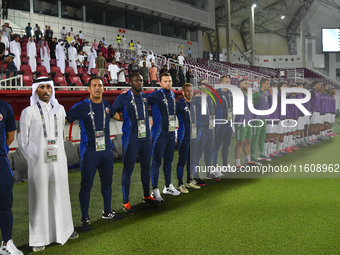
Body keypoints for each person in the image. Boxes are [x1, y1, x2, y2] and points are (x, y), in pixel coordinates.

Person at [17, 77, 79, 252]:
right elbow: (22, 140)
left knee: (60, 194)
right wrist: (33, 158)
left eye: (49, 87)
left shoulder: (60, 110)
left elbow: (60, 136)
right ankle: (39, 237)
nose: (46, 90)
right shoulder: (28, 112)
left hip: (58, 160)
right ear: (36, 90)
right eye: (42, 87)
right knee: (40, 198)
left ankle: (65, 231)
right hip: (39, 163)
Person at [66, 76, 124, 232]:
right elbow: (65, 119)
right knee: (86, 186)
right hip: (90, 152)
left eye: (100, 85)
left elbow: (118, 116)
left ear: (103, 88)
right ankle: (85, 218)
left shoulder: (106, 105)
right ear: (89, 89)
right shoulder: (81, 106)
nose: (97, 88)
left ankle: (107, 211)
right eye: (94, 85)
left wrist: (131, 114)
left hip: (106, 150)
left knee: (107, 183)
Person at [112, 74, 161, 214]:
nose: (139, 83)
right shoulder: (123, 97)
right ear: (130, 82)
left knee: (146, 167)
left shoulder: (145, 97)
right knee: (128, 170)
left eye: (141, 80)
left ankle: (146, 195)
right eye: (136, 80)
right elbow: (112, 112)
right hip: (131, 140)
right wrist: (124, 119)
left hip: (145, 138)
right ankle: (126, 202)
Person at [148, 73, 181, 201]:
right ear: (160, 83)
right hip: (159, 134)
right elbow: (142, 105)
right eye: (165, 81)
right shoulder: (154, 95)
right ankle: (154, 190)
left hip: (171, 133)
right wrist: (151, 119)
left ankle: (167, 186)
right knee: (156, 162)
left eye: (170, 81)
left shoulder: (172, 95)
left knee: (168, 160)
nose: (168, 83)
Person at [0, 98, 23, 255]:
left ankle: (6, 243)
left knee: (5, 205)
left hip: (1, 162)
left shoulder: (5, 108)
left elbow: (10, 135)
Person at [176, 83, 201, 193]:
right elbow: (169, 115)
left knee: (192, 159)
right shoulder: (179, 104)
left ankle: (189, 181)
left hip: (194, 136)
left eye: (191, 90)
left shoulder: (195, 104)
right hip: (183, 136)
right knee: (182, 160)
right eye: (187, 91)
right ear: (183, 92)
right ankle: (180, 184)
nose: (190, 92)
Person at [234, 79, 257, 169]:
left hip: (249, 121)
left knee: (248, 141)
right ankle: (237, 163)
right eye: (246, 83)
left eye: (248, 83)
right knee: (240, 142)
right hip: (241, 121)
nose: (248, 85)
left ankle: (247, 160)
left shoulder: (247, 96)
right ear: (240, 85)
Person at [212, 76, 233, 169]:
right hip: (220, 122)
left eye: (229, 82)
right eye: (226, 82)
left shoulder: (228, 93)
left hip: (229, 122)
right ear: (221, 83)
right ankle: (214, 166)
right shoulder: (216, 93)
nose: (229, 83)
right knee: (217, 144)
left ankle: (225, 164)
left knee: (226, 144)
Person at [250, 78, 272, 162]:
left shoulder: (265, 93)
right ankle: (252, 158)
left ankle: (261, 155)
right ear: (262, 84)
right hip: (257, 119)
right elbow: (247, 100)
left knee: (262, 137)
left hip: (264, 119)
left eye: (269, 84)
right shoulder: (257, 93)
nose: (269, 86)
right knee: (255, 138)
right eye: (267, 84)